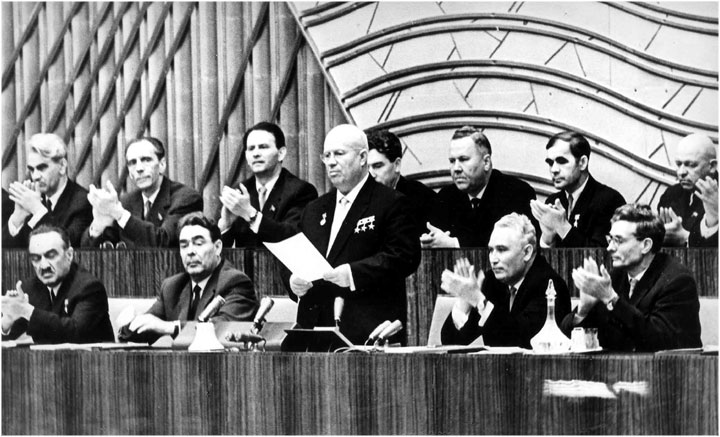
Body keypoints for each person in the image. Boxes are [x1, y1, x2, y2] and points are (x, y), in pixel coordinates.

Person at [286, 124, 421, 345]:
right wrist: (293, 281)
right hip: (314, 334)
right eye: (326, 156)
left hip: (367, 334)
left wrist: (352, 274)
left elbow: (404, 256)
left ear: (362, 157)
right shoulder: (314, 209)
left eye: (339, 154)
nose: (331, 162)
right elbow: (294, 255)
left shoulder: (390, 202)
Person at [560, 204, 701, 351]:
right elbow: (565, 335)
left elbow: (659, 341)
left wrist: (611, 299)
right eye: (610, 239)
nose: (609, 248)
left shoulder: (677, 281)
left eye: (618, 240)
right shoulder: (616, 277)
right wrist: (583, 310)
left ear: (646, 245)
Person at [118, 212, 259, 344]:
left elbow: (223, 329)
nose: (190, 252)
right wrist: (130, 324)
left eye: (198, 244)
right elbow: (147, 327)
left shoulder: (235, 282)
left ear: (217, 247)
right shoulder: (173, 287)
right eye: (184, 246)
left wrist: (170, 327)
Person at [440, 213, 570, 347]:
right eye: (491, 250)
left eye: (501, 250)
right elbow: (451, 342)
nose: (493, 259)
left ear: (527, 252)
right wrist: (464, 301)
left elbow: (519, 342)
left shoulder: (550, 285)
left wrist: (479, 300)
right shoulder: (491, 281)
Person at [421, 126, 537, 248]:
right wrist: (430, 241)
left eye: (463, 159)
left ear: (486, 162)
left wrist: (454, 244)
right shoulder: (446, 197)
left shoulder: (517, 193)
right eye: (452, 161)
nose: (456, 168)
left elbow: (516, 245)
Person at [82, 137, 203, 248]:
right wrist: (99, 225)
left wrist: (119, 213)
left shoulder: (187, 198)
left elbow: (163, 242)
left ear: (162, 165)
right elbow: (87, 250)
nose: (139, 168)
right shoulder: (126, 202)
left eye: (146, 160)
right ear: (129, 172)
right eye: (132, 163)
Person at [1, 225, 114, 343]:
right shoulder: (30, 288)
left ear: (69, 255)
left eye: (51, 256)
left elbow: (75, 332)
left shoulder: (90, 288)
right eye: (36, 258)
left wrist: (26, 311)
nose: (44, 265)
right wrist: (8, 319)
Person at [218, 121, 318, 247]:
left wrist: (250, 214)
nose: (256, 154)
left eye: (263, 147)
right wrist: (226, 225)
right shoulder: (241, 191)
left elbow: (292, 238)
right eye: (251, 149)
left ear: (281, 153)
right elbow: (221, 251)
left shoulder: (301, 191)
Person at [530, 131, 625, 247]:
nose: (554, 169)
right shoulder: (552, 200)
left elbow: (603, 254)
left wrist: (562, 227)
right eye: (550, 163)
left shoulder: (609, 200)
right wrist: (547, 239)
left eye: (562, 161)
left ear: (582, 163)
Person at [6, 133, 92, 248]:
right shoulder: (31, 199)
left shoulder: (82, 202)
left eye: (42, 168)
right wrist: (18, 217)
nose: (35, 176)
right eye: (32, 170)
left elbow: (66, 246)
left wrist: (38, 210)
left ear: (62, 166)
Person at [366, 129, 439, 236]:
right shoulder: (361, 199)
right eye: (366, 168)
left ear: (397, 165)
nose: (371, 174)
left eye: (378, 166)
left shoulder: (422, 199)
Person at [658, 133, 717, 247]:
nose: (681, 172)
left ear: (712, 166)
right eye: (678, 164)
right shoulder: (671, 194)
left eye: (691, 165)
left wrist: (685, 238)